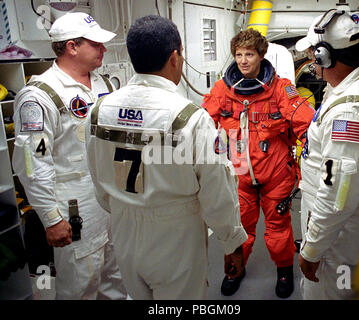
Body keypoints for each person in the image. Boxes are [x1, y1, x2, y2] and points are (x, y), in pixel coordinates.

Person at [85, 15, 248, 300]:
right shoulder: (189, 117)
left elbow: (96, 175)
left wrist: (125, 207)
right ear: (175, 57)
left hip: (122, 230)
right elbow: (217, 191)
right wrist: (231, 243)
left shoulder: (99, 110)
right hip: (175, 236)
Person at [12, 12, 128, 300]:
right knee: (80, 285)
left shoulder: (103, 85)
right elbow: (32, 162)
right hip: (74, 209)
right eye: (96, 44)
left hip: (109, 202)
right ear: (72, 47)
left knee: (115, 277)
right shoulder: (40, 96)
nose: (103, 49)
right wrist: (51, 218)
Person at [202, 28, 315, 298]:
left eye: (249, 54)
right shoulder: (222, 90)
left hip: (276, 173)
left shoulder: (281, 89)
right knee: (240, 228)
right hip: (240, 172)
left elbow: (307, 124)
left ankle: (285, 270)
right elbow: (202, 124)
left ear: (261, 55)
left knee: (278, 228)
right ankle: (235, 270)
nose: (242, 60)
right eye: (239, 55)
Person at [295, 9, 359, 299]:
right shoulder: (357, 84)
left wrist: (312, 249)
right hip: (347, 220)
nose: (311, 60)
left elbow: (337, 194)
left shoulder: (349, 114)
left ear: (325, 57)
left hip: (336, 233)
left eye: (313, 54)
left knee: (326, 291)